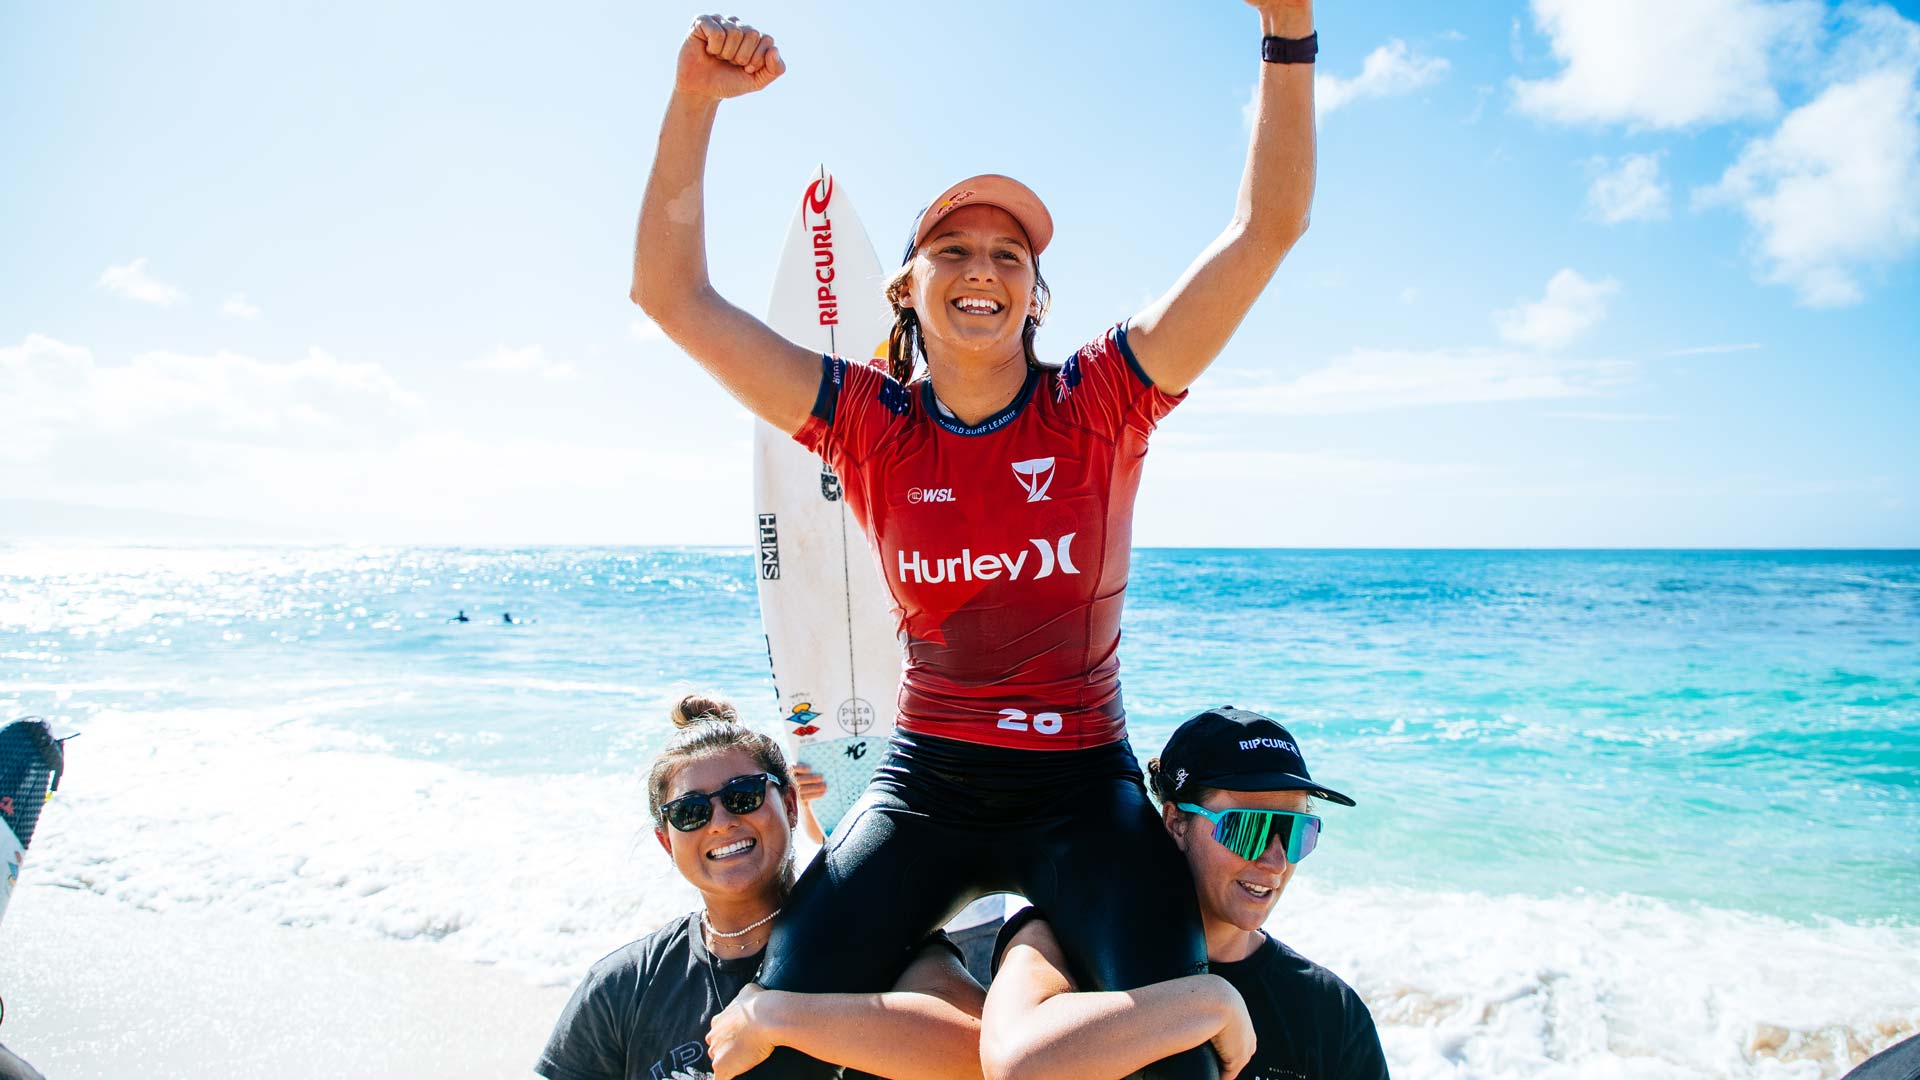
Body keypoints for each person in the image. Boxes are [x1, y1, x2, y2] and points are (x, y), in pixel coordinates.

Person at [630, 5, 1316, 1076]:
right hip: (929, 784)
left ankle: (1056, 1027)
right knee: (785, 1013)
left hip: (1084, 790)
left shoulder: (1101, 401)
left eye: (1010, 254)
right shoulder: (867, 422)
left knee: (1172, 1061)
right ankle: (1002, 1038)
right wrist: (694, 103)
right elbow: (669, 297)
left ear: (1037, 293)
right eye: (954, 250)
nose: (983, 268)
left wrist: (1288, 36)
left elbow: (1264, 232)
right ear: (907, 286)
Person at [536, 695, 986, 1080]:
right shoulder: (624, 985)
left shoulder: (876, 939)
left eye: (743, 795)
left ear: (790, 805)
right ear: (666, 842)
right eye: (690, 812)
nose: (722, 822)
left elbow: (981, 1053)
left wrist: (774, 1017)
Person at [981, 708, 1389, 1080]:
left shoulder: (1331, 1011)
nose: (1276, 861)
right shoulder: (1063, 946)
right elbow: (1019, 1063)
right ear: (1176, 823)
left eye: (1297, 832)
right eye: (1249, 829)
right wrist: (1211, 1001)